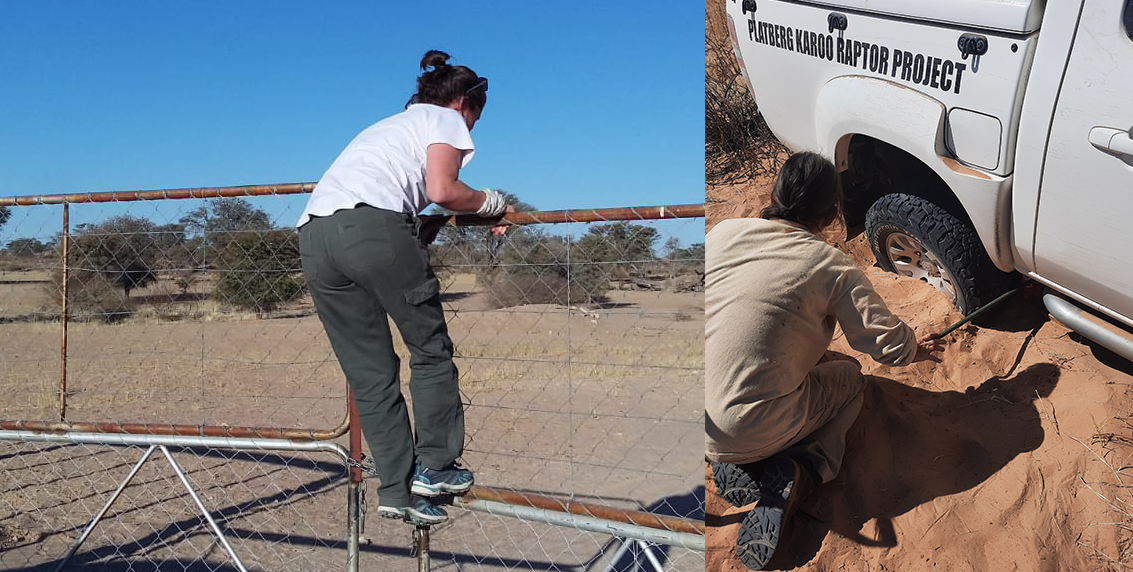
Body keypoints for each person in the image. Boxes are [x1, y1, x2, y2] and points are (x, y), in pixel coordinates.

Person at [296, 50, 513, 525]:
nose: (473, 130)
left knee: (370, 374)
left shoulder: (387, 128)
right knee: (429, 350)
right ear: (464, 103)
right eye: (477, 118)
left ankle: (396, 489)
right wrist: (492, 202)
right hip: (373, 229)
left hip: (314, 236)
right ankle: (434, 467)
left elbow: (396, 190)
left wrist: (419, 222)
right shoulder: (446, 119)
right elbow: (443, 189)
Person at [704, 151, 943, 570]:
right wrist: (914, 345)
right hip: (747, 423)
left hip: (698, 416)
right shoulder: (831, 265)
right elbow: (884, 345)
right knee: (850, 377)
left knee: (792, 357)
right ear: (834, 213)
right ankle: (807, 467)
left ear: (775, 193)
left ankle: (741, 457)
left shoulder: (723, 233)